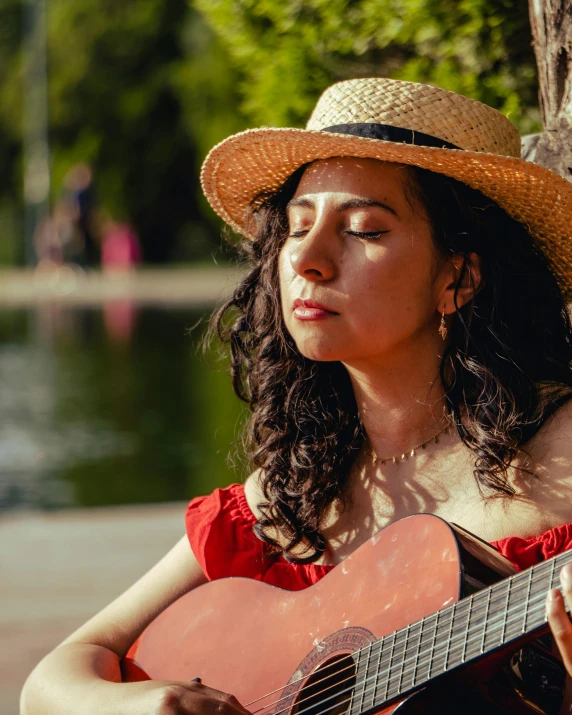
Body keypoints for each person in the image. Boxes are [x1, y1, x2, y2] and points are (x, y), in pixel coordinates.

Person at [20, 77, 572, 714]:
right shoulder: (287, 493)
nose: (307, 258)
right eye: (294, 226)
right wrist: (143, 706)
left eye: (363, 230)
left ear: (459, 278)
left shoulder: (560, 449)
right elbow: (49, 685)